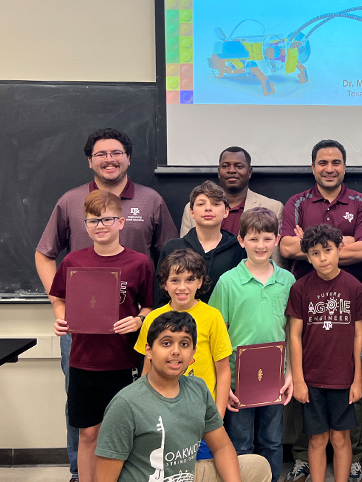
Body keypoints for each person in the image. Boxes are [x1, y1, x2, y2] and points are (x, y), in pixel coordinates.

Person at [36, 128, 176, 482]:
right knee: (84, 421)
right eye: (101, 154)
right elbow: (45, 255)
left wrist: (146, 317)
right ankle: (78, 475)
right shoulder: (70, 201)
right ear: (90, 161)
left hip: (129, 343)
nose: (109, 159)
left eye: (116, 152)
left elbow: (170, 259)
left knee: (131, 419)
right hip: (82, 341)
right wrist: (61, 313)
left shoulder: (150, 201)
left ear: (128, 158)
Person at [280, 140, 362, 482]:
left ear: (345, 166)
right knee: (314, 431)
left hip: (344, 343)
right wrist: (342, 242)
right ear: (313, 167)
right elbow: (287, 245)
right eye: (323, 162)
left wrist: (315, 244)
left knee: (345, 429)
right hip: (310, 329)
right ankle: (304, 460)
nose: (329, 167)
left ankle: (350, 462)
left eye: (336, 161)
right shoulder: (296, 202)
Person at [49, 190, 154, 482]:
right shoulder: (73, 261)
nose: (101, 225)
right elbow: (57, 297)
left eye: (108, 219)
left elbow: (149, 306)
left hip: (123, 362)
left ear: (121, 222)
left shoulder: (139, 263)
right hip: (84, 361)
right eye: (94, 220)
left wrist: (138, 321)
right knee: (88, 433)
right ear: (85, 225)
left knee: (123, 433)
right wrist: (61, 317)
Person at [96, 311, 273, 482]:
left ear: (193, 353)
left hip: (186, 475)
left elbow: (221, 447)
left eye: (184, 344)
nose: (176, 351)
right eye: (166, 343)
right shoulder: (126, 404)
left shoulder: (198, 388)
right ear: (148, 350)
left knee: (257, 466)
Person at [210, 207, 295, 482]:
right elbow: (217, 334)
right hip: (238, 379)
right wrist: (223, 383)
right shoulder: (228, 282)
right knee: (240, 442)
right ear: (241, 240)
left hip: (276, 378)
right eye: (254, 239)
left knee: (272, 441)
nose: (261, 245)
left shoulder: (288, 281)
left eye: (267, 239)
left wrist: (290, 373)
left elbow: (293, 333)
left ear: (277, 240)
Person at [286, 225, 362, 482]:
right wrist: (298, 380)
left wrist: (358, 379)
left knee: (341, 437)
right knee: (317, 438)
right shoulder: (300, 288)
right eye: (315, 253)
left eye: (328, 250)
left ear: (339, 249)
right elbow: (294, 335)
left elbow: (359, 335)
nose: (322, 258)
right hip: (311, 379)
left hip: (344, 378)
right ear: (307, 257)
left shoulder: (354, 287)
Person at [134, 249, 233, 465]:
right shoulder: (152, 319)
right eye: (175, 280)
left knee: (202, 471)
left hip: (202, 417)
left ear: (200, 283)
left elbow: (223, 371)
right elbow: (146, 372)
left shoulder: (212, 317)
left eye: (189, 279)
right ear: (165, 284)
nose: (182, 287)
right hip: (163, 416)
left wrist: (218, 416)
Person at [155, 181, 246, 307]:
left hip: (227, 324)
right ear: (191, 212)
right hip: (180, 323)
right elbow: (160, 296)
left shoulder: (240, 248)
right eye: (201, 204)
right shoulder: (172, 248)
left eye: (215, 204)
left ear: (226, 211)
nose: (208, 208)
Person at [178, 147, 284, 245]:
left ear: (250, 172)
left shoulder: (273, 207)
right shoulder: (194, 208)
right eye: (225, 166)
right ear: (219, 172)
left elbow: (275, 259)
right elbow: (184, 252)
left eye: (239, 166)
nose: (232, 170)